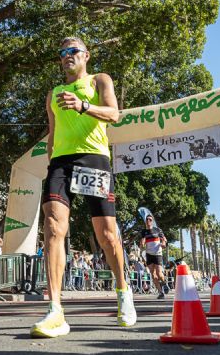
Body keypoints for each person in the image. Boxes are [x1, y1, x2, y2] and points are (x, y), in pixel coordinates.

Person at [30, 37, 136, 339]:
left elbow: (114, 114)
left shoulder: (99, 80)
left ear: (86, 55)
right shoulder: (53, 93)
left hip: (94, 160)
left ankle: (122, 290)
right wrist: (51, 159)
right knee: (52, 227)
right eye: (62, 53)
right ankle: (55, 309)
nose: (66, 56)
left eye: (72, 51)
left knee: (105, 235)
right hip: (61, 164)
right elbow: (52, 133)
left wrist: (83, 105)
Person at [140, 214, 169, 299]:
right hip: (149, 254)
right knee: (153, 275)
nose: (148, 221)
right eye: (147, 220)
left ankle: (164, 283)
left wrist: (163, 244)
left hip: (157, 254)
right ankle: (161, 293)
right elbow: (142, 241)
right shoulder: (144, 231)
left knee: (159, 273)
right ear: (145, 221)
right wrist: (142, 244)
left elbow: (164, 240)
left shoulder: (158, 230)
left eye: (150, 220)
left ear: (152, 221)